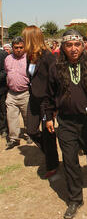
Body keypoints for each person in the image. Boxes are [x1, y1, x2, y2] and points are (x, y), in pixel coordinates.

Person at [45, 29, 87, 219]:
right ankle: (75, 199)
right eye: (69, 45)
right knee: (70, 161)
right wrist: (48, 117)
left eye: (77, 44)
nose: (73, 49)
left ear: (83, 45)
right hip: (66, 122)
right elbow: (48, 95)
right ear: (63, 47)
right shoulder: (55, 68)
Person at [22, 25, 59, 178]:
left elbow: (55, 82)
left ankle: (52, 164)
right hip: (33, 99)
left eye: (24, 38)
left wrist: (54, 105)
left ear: (31, 39)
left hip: (46, 101)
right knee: (31, 130)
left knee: (47, 133)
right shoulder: (29, 57)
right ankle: (51, 153)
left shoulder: (48, 57)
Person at [5, 36, 32, 149]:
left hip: (25, 93)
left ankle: (30, 134)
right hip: (11, 94)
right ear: (12, 48)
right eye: (16, 47)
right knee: (11, 117)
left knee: (28, 117)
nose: (19, 49)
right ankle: (14, 138)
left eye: (21, 47)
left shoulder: (29, 59)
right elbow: (7, 73)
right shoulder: (8, 59)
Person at [0, 48, 8, 138]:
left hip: (1, 88)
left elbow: (5, 71)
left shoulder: (2, 54)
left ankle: (4, 129)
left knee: (2, 110)